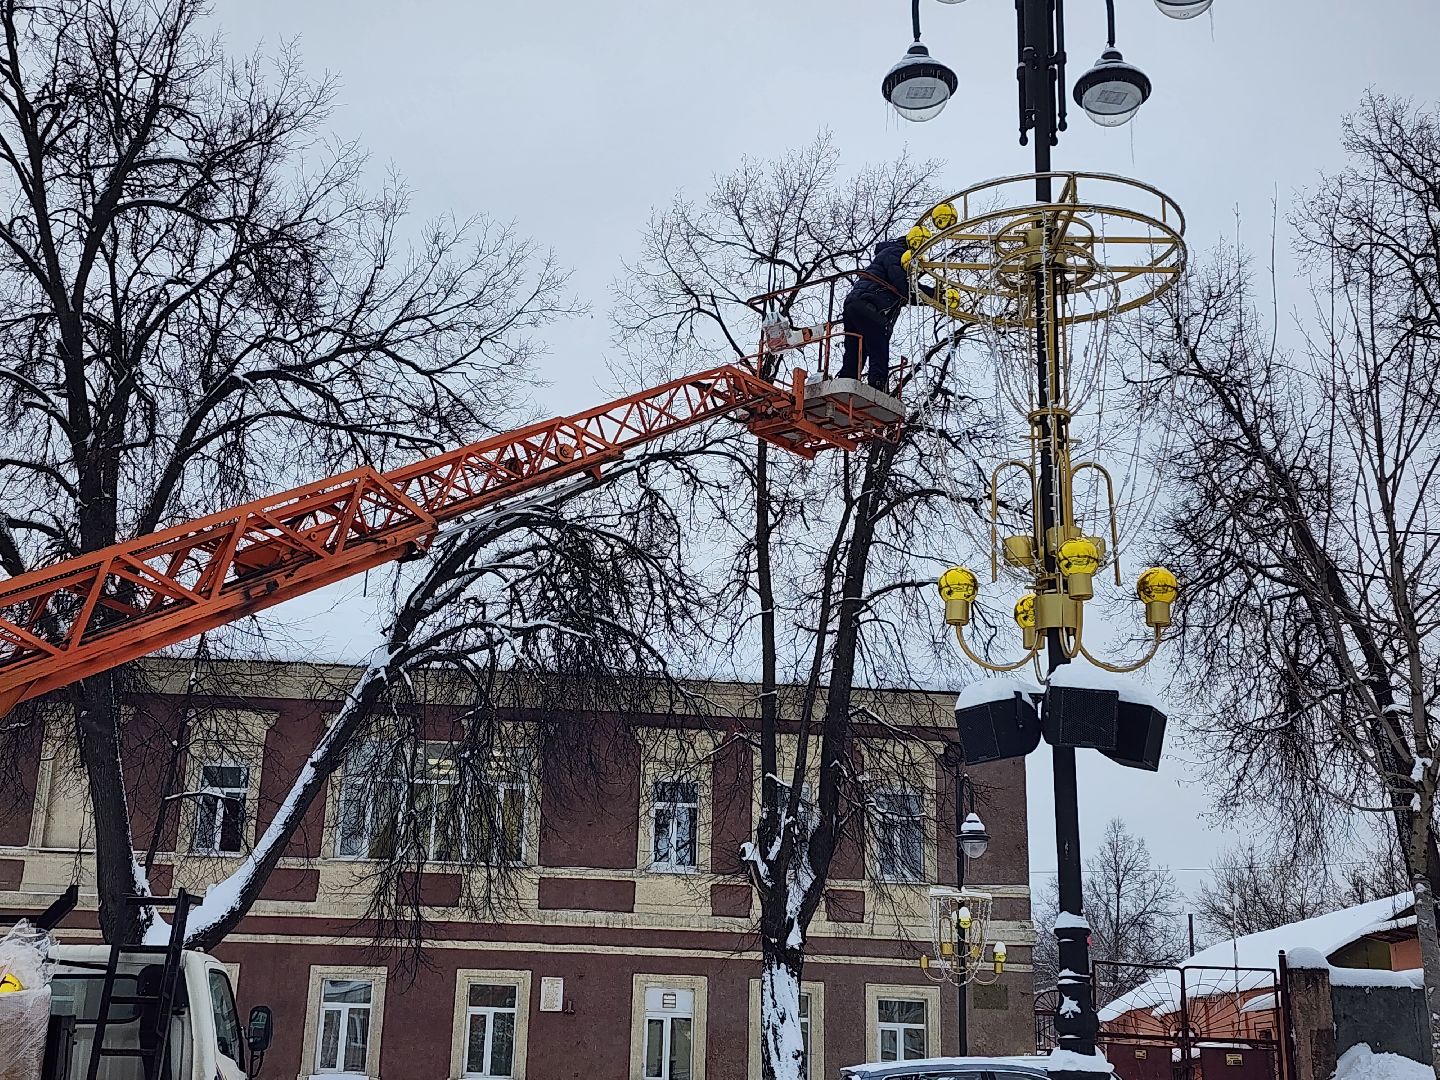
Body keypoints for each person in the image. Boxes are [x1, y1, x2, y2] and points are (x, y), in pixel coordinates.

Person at [837, 224, 934, 390]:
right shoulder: (896, 253)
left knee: (856, 346)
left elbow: (908, 293)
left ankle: (847, 380)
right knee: (878, 341)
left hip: (854, 304)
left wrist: (928, 298)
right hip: (869, 304)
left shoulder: (888, 253)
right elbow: (904, 286)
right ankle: (878, 384)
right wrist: (933, 295)